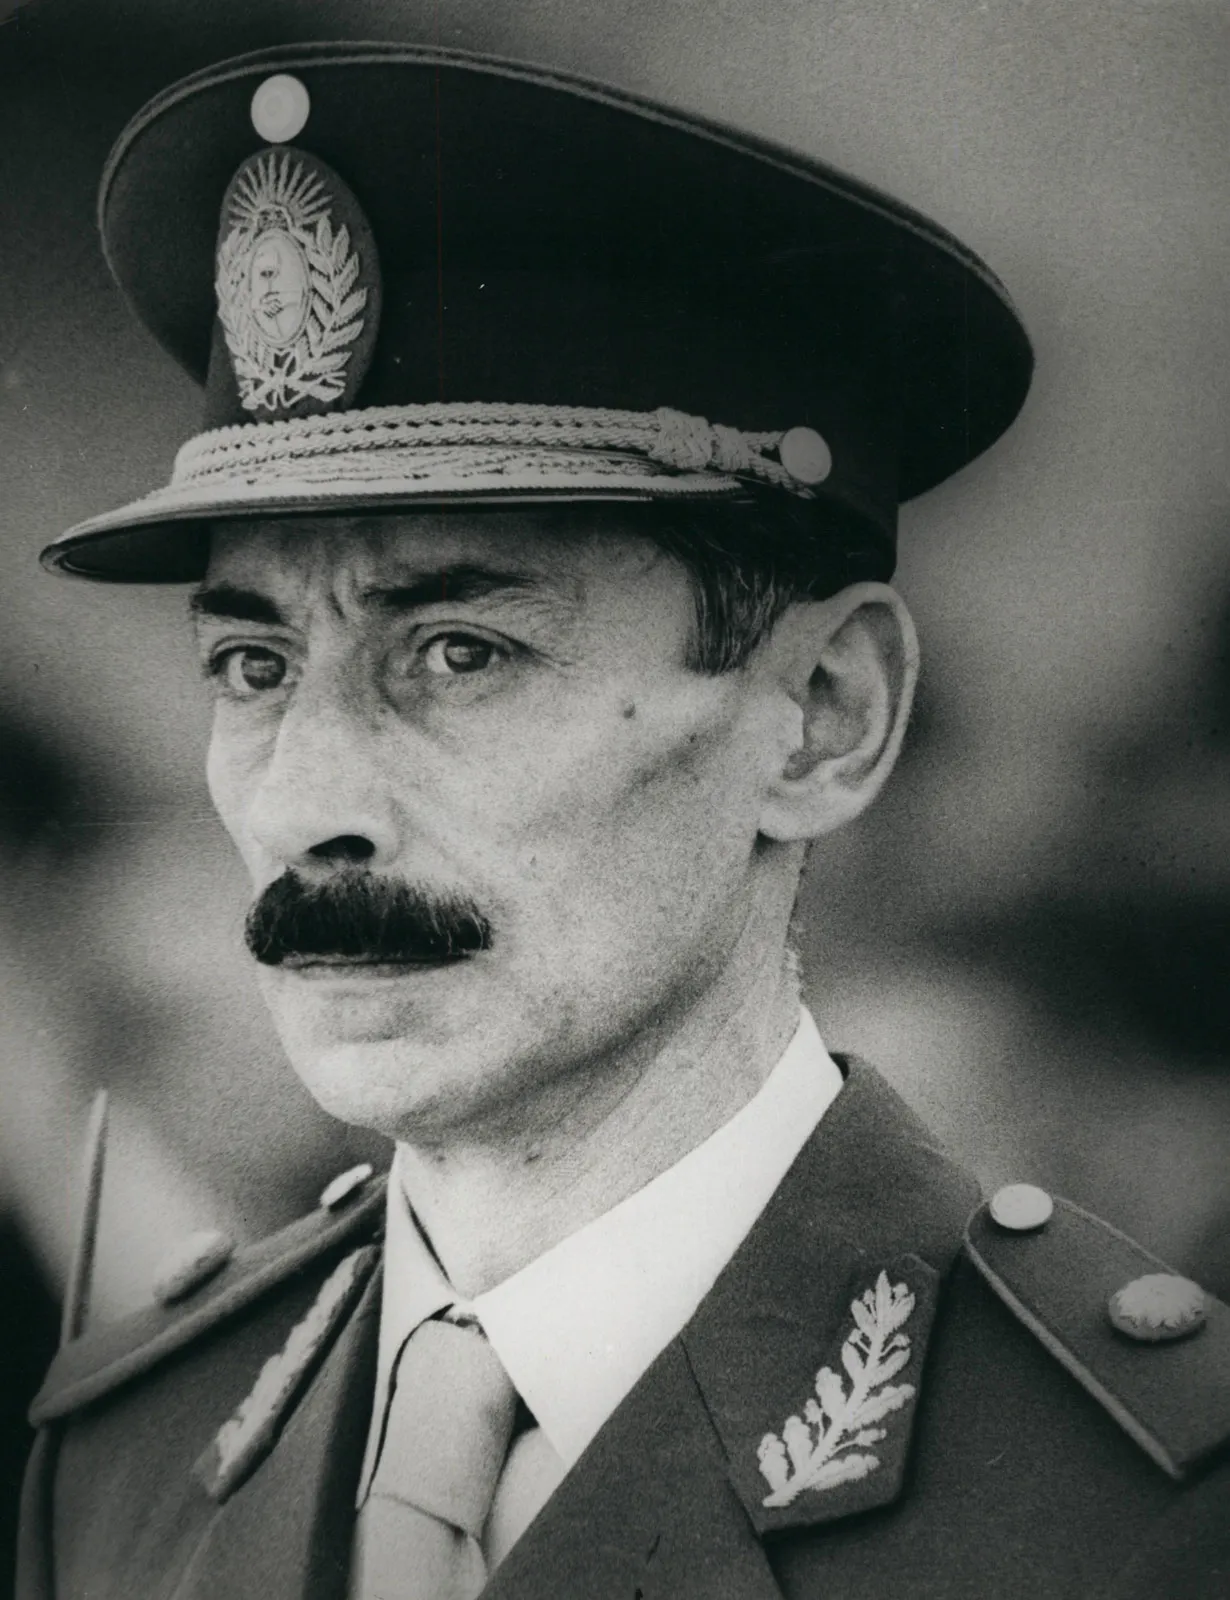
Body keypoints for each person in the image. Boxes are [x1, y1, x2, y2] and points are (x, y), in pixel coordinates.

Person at [17, 37, 1230, 1600]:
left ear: (823, 715)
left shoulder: (1139, 1511)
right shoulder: (132, 1453)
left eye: (460, 653)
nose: (308, 803)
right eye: (253, 667)